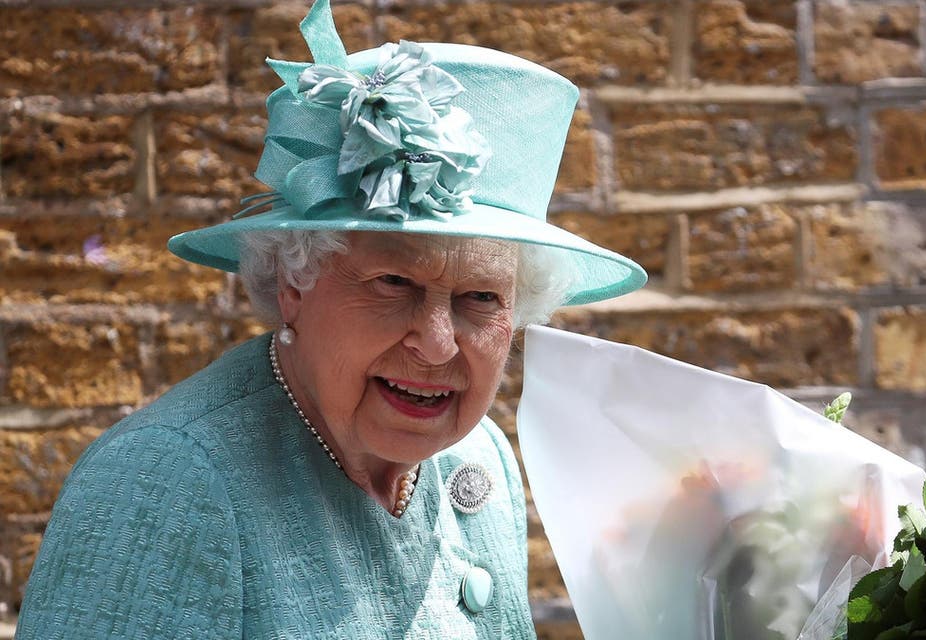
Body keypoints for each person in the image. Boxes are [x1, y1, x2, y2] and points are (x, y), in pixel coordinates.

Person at [14, 1, 646, 637]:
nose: (436, 343)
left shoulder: (477, 458)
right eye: (394, 282)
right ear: (294, 283)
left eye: (480, 298)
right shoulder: (162, 487)